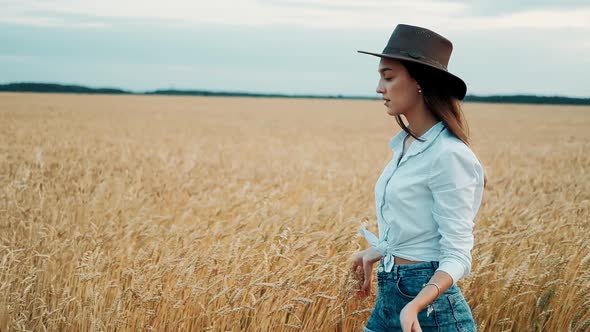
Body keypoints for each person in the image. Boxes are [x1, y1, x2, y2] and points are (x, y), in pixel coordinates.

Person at [351, 24, 486, 332]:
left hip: (431, 313)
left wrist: (416, 304)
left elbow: (457, 255)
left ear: (420, 82)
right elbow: (418, 231)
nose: (379, 88)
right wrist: (377, 251)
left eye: (388, 76)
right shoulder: (405, 145)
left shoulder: (449, 154)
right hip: (390, 299)